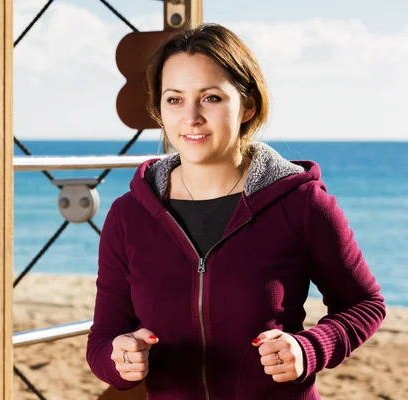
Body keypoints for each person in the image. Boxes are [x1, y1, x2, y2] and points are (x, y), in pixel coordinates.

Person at [86, 23, 386, 399]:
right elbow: (102, 340)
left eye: (211, 98)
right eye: (174, 99)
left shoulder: (301, 203)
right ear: (159, 109)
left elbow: (364, 304)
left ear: (248, 105)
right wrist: (120, 360)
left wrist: (308, 349)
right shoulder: (129, 216)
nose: (191, 117)